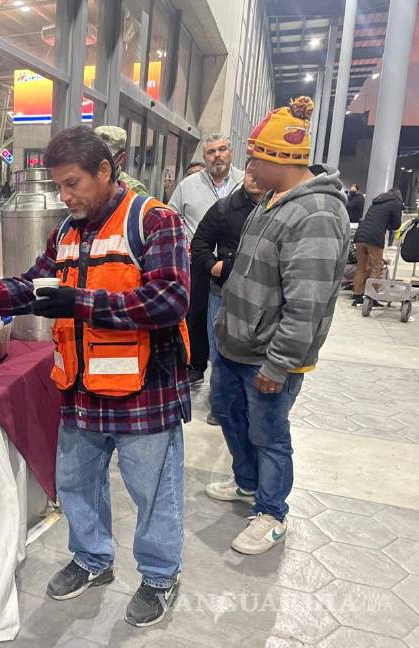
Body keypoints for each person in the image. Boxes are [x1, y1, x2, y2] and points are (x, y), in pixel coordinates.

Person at [0, 126, 191, 627]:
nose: (66, 196)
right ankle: (91, 559)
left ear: (106, 170)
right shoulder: (66, 232)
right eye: (59, 186)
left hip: (143, 391)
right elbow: (28, 288)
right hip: (80, 390)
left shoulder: (154, 220)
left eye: (73, 183)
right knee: (77, 484)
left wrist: (80, 302)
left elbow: (170, 301)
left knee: (153, 491)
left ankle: (160, 575)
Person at [209, 97, 350, 555]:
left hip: (268, 356)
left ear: (277, 159)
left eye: (254, 157)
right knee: (231, 417)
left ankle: (272, 512)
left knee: (268, 434)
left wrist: (280, 363)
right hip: (235, 346)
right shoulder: (272, 201)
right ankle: (248, 485)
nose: (247, 166)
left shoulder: (316, 214)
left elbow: (306, 303)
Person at [191, 165, 264, 426]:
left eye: (259, 171)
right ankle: (220, 404)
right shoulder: (225, 208)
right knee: (220, 349)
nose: (254, 177)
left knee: (255, 351)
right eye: (249, 172)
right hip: (222, 291)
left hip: (263, 298)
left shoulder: (278, 210)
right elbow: (198, 243)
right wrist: (215, 266)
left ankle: (248, 405)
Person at [169, 135, 244, 386]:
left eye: (222, 149)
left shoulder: (246, 182)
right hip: (197, 263)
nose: (217, 155)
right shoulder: (188, 185)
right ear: (205, 157)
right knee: (196, 314)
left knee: (232, 318)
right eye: (211, 152)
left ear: (231, 152)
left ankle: (227, 373)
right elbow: (171, 215)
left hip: (236, 265)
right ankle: (196, 365)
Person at [352, 188, 404, 306]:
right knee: (377, 266)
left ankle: (357, 297)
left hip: (360, 234)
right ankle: (371, 298)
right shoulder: (396, 202)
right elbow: (396, 224)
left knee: (361, 267)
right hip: (374, 236)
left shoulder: (377, 201)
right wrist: (387, 225)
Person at [93, 125, 148, 195]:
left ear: (121, 158)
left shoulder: (134, 190)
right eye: (94, 155)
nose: (98, 161)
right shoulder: (81, 181)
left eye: (106, 157)